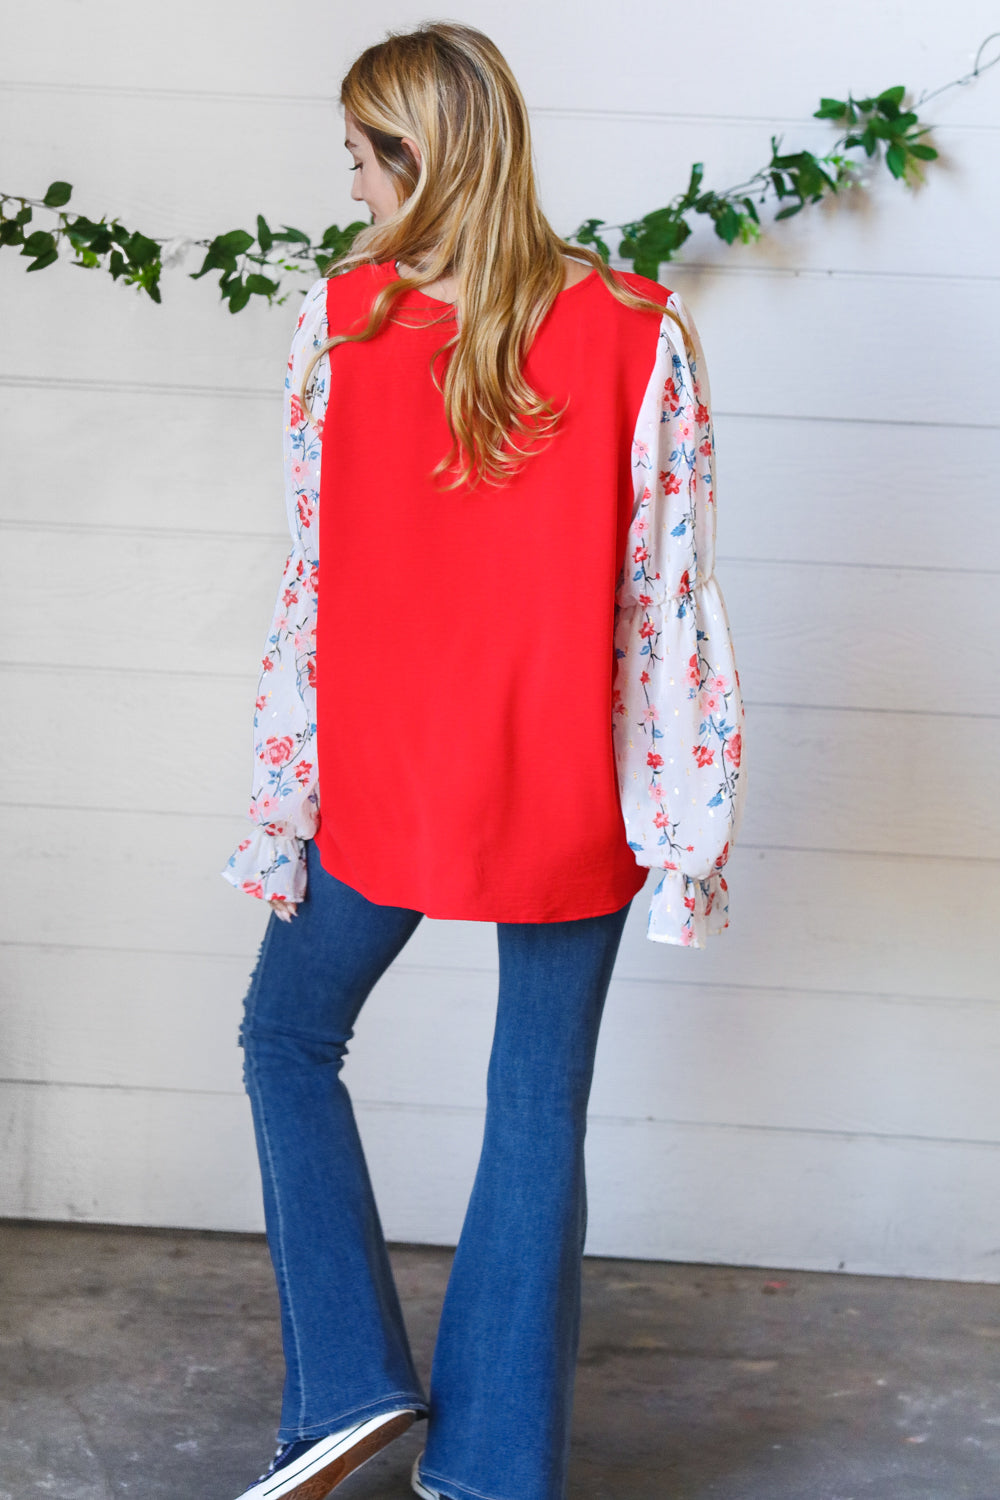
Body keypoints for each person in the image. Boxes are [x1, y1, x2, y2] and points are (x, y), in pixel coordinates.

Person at [221, 20, 747, 1500]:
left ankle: (348, 1384)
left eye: (360, 161)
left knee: (285, 1038)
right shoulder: (641, 325)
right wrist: (680, 829)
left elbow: (314, 582)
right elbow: (668, 599)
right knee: (536, 1107)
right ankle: (492, 1474)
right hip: (568, 790)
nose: (353, 192)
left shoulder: (340, 324)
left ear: (417, 158)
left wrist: (288, 793)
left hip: (384, 777)